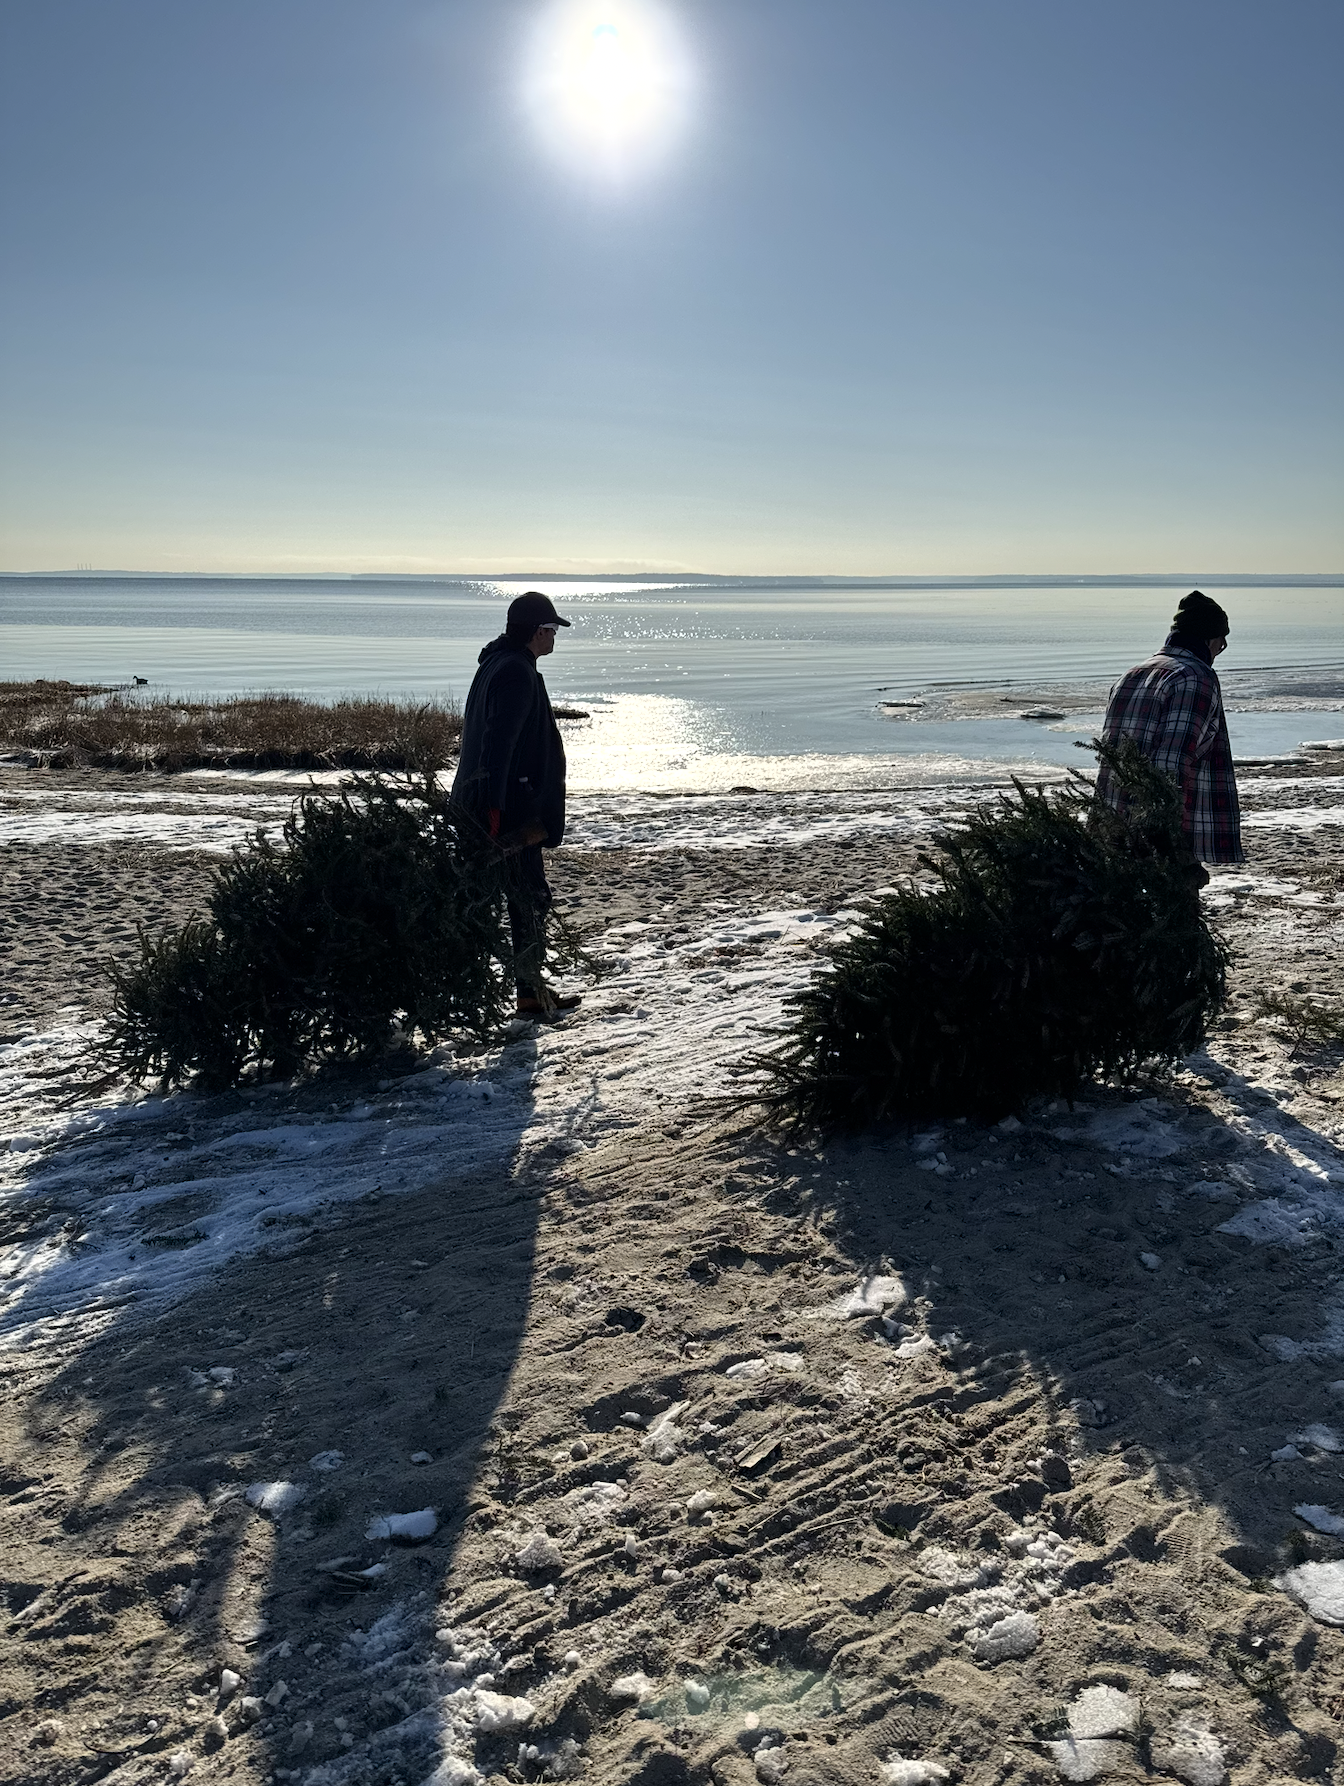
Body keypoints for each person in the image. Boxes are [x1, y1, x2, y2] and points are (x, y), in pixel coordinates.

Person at [451, 591, 581, 1017]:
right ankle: (527, 995)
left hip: (496, 804)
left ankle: (527, 991)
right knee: (528, 898)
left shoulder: (498, 663)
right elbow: (497, 744)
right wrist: (492, 810)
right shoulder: (516, 672)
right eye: (551, 630)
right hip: (507, 812)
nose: (554, 638)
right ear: (537, 632)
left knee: (515, 898)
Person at [1095, 589, 1244, 885]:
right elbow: (1171, 762)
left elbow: (1109, 752)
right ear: (1210, 639)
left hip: (1114, 815)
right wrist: (1169, 840)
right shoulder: (1195, 677)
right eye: (1221, 642)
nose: (1220, 650)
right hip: (1160, 828)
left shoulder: (1133, 673)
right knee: (1176, 916)